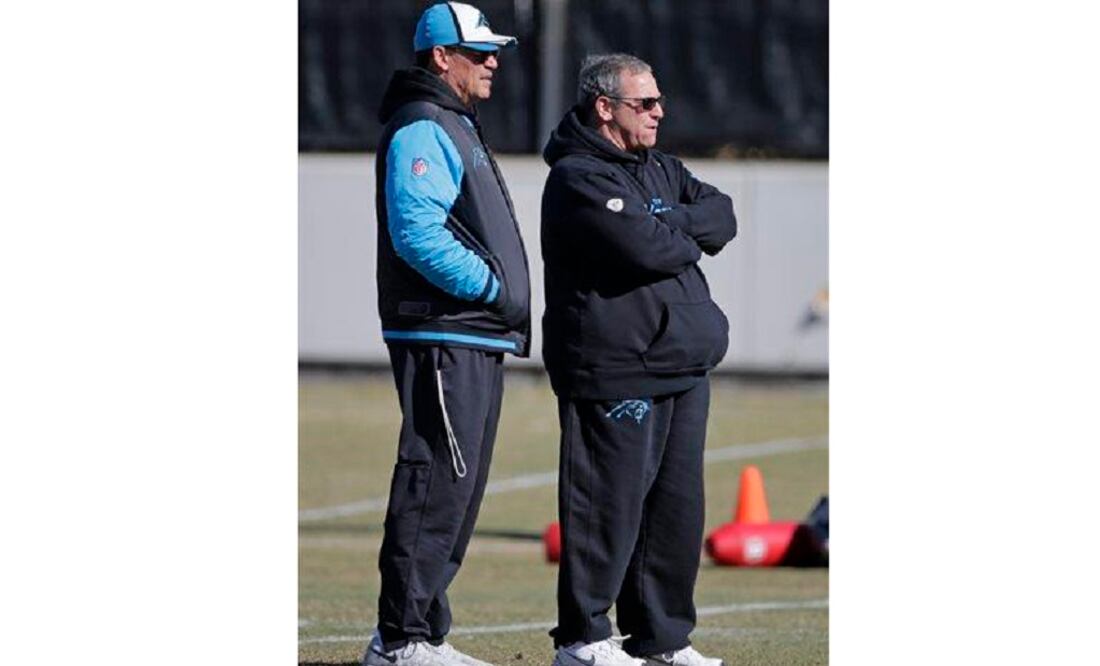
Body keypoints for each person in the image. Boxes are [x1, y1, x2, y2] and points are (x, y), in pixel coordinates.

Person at [540, 54, 737, 666]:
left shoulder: (660, 169)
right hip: (615, 366)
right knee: (607, 508)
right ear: (605, 108)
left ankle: (662, 640)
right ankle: (583, 639)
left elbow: (721, 214)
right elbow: (643, 249)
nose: (659, 112)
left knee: (675, 515)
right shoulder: (578, 177)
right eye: (644, 103)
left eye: (658, 100)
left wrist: (666, 216)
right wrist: (675, 228)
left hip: (681, 362)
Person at [364, 3, 530, 666]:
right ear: (441, 56)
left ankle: (424, 633)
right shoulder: (423, 125)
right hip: (445, 333)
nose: (493, 61)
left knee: (456, 487)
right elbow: (417, 234)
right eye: (478, 51)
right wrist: (494, 289)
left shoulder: (453, 122)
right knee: (435, 478)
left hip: (472, 337)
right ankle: (400, 640)